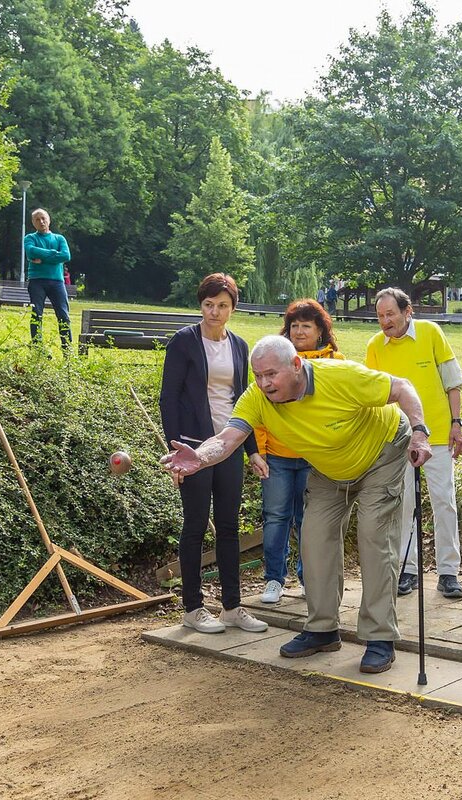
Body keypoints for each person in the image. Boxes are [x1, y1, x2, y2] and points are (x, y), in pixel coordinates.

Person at [162, 335, 432, 674]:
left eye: (271, 374)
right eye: (257, 376)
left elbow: (402, 387)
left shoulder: (339, 376)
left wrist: (420, 432)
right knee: (314, 540)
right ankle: (322, 629)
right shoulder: (257, 399)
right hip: (329, 466)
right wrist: (199, 457)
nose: (264, 383)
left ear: (295, 365)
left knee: (374, 537)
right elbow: (228, 439)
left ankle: (379, 637)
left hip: (382, 452)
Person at [159, 273, 268, 634]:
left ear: (233, 308)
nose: (214, 312)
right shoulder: (184, 342)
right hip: (194, 449)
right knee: (194, 526)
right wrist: (177, 452)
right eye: (208, 305)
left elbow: (246, 403)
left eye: (222, 306)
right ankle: (192, 607)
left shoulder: (239, 345)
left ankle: (232, 606)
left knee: (228, 527)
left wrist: (251, 450)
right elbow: (168, 399)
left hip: (228, 448)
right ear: (200, 305)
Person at [366, 288, 462, 600]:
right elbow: (372, 394)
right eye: (380, 316)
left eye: (390, 314)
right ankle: (407, 570)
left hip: (436, 435)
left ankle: (448, 572)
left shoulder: (430, 332)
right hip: (397, 438)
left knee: (444, 501)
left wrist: (456, 423)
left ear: (406, 311)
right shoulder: (375, 346)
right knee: (403, 506)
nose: (385, 321)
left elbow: (452, 382)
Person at [257, 300, 345, 604]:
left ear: (320, 330)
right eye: (294, 325)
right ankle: (274, 579)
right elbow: (257, 408)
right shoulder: (275, 362)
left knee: (311, 520)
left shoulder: (335, 361)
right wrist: (258, 450)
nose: (299, 331)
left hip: (315, 457)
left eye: (306, 325)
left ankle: (311, 578)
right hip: (278, 457)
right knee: (276, 517)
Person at [24, 208, 72, 350]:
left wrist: (43, 259)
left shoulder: (59, 239)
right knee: (36, 314)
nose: (41, 221)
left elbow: (66, 256)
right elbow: (31, 251)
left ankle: (67, 351)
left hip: (57, 282)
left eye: (43, 218)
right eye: (37, 219)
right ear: (33, 223)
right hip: (37, 281)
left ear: (49, 220)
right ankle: (38, 349)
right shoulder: (30, 238)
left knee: (63, 315)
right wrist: (53, 255)